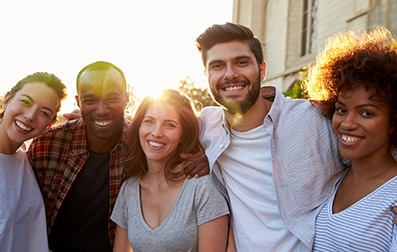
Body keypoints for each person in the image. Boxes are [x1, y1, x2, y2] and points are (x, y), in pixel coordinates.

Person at [195, 22, 346, 251]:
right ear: (206, 75)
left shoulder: (313, 118)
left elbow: (377, 156)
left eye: (241, 62)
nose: (230, 74)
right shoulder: (206, 126)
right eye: (217, 66)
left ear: (262, 70)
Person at [28, 60, 208, 251]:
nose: (102, 110)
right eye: (90, 100)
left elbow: (179, 149)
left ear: (126, 98)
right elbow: (23, 206)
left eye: (112, 98)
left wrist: (207, 158)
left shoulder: (143, 145)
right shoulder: (49, 144)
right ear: (79, 102)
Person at [303, 27, 397, 251]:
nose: (347, 123)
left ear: (393, 121)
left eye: (367, 113)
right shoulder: (331, 178)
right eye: (341, 110)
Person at [111, 89, 230, 252]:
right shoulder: (129, 190)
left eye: (170, 125)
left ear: (182, 134)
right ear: (139, 127)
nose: (156, 133)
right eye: (149, 121)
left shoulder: (202, 188)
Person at [0, 72, 67, 252]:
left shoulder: (26, 159)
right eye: (25, 101)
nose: (30, 116)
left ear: (50, 123)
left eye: (44, 112)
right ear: (7, 99)